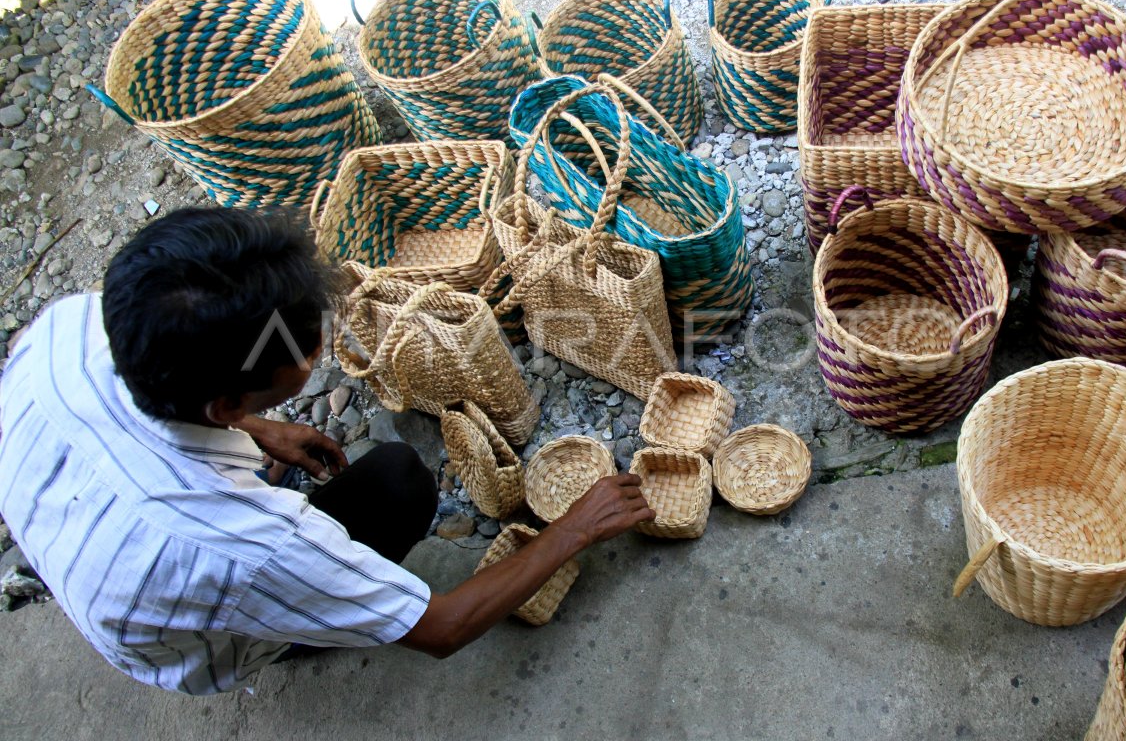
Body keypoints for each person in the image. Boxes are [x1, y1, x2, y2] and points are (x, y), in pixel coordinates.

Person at [0, 208, 654, 695]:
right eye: (307, 353)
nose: (318, 348)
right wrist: (575, 529)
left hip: (89, 539)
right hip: (192, 643)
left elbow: (156, 405)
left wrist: (257, 428)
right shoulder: (248, 546)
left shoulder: (70, 328)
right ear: (223, 405)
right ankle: (296, 631)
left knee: (381, 478)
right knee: (400, 485)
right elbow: (441, 628)